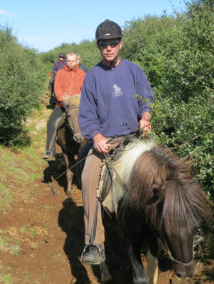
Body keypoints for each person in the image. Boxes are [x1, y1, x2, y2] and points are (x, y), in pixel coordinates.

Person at [78, 19, 153, 264]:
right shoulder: (92, 77)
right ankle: (94, 243)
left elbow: (146, 99)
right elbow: (86, 115)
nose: (108, 48)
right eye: (104, 44)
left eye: (113, 43)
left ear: (120, 44)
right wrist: (96, 137)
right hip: (105, 144)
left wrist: (145, 116)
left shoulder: (134, 70)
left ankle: (173, 232)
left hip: (133, 139)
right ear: (99, 46)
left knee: (165, 171)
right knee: (88, 178)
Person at [43, 52, 86, 161]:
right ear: (66, 61)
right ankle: (50, 151)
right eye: (69, 61)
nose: (70, 63)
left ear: (77, 61)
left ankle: (90, 149)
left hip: (77, 107)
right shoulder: (60, 73)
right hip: (61, 105)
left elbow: (84, 89)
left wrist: (78, 100)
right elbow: (57, 88)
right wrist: (62, 99)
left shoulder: (82, 74)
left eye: (72, 61)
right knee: (52, 123)